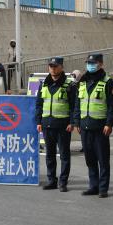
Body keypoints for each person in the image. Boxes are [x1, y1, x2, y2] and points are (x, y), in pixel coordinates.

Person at [72, 53, 113, 197]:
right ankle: (93, 186)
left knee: (103, 159)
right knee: (90, 159)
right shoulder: (82, 82)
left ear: (101, 64)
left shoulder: (108, 82)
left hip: (100, 127)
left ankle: (103, 188)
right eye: (88, 63)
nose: (90, 65)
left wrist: (109, 124)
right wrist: (77, 121)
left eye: (93, 63)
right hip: (85, 126)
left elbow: (112, 106)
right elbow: (77, 103)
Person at [35, 57, 76, 192]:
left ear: (61, 67)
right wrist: (38, 121)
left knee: (64, 155)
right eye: (51, 66)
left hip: (63, 126)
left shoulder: (69, 85)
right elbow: (39, 104)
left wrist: (72, 122)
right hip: (47, 125)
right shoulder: (43, 84)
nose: (53, 69)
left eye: (55, 66)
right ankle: (52, 180)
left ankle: (63, 182)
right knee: (50, 155)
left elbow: (74, 106)